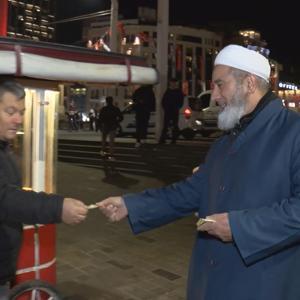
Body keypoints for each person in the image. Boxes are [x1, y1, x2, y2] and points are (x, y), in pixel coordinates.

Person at [97, 44, 300, 300]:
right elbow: (191, 191)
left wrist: (240, 228)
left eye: (220, 84)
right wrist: (132, 205)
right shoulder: (224, 143)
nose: (214, 96)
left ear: (249, 83)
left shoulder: (293, 133)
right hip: (209, 284)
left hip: (262, 286)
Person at [0, 80, 88, 299]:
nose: (18, 120)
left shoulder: (5, 149)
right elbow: (5, 199)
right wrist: (59, 207)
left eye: (21, 112)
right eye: (10, 111)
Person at [158, 79, 184, 144]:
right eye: (171, 83)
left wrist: (177, 107)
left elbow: (180, 101)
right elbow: (164, 101)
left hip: (174, 110)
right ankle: (163, 139)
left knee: (174, 125)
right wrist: (165, 107)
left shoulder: (177, 91)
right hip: (168, 110)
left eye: (173, 83)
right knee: (166, 125)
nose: (172, 84)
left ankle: (173, 139)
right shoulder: (169, 91)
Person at [98, 96, 123, 160]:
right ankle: (111, 155)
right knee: (111, 141)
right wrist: (116, 122)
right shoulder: (115, 108)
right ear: (112, 101)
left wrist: (100, 125)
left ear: (106, 101)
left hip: (105, 126)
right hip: (113, 126)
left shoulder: (104, 109)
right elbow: (121, 117)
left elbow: (100, 118)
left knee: (104, 140)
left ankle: (103, 152)